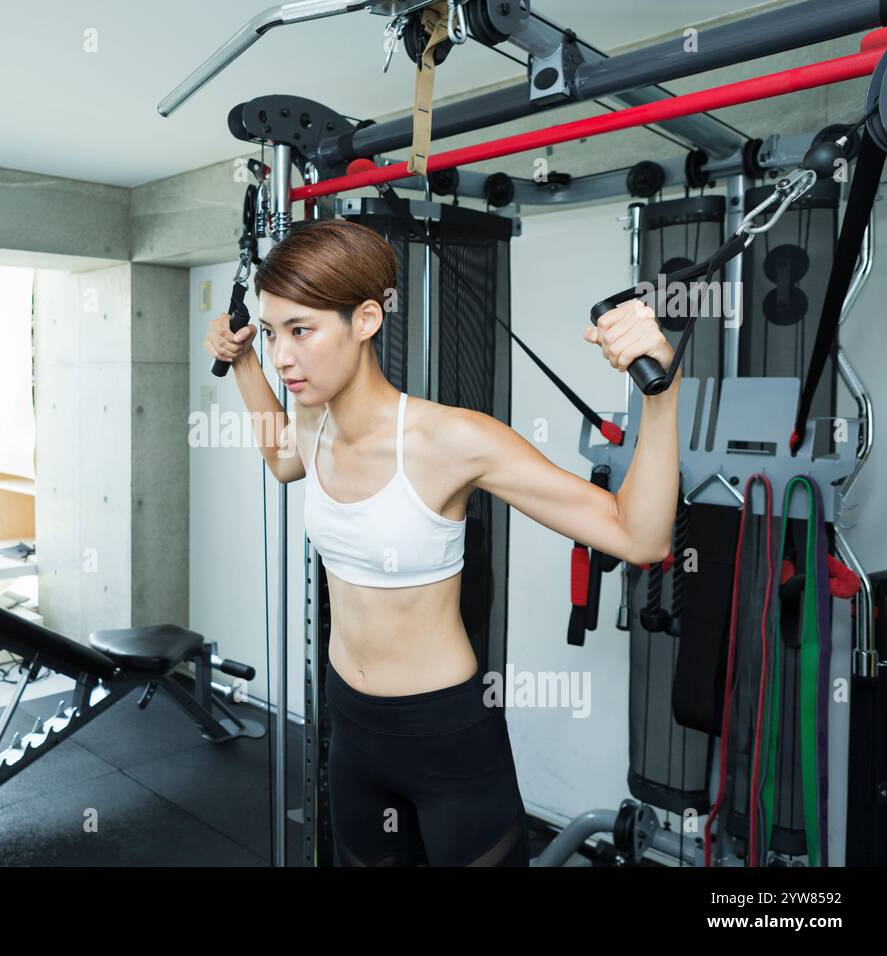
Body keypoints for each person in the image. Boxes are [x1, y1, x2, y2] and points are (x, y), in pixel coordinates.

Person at [202, 219, 679, 866]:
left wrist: (662, 393)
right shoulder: (311, 418)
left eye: (301, 330)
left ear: (366, 319)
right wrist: (243, 362)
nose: (284, 355)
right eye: (271, 332)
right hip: (350, 725)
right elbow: (284, 459)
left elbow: (639, 536)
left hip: (445, 736)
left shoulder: (452, 440)